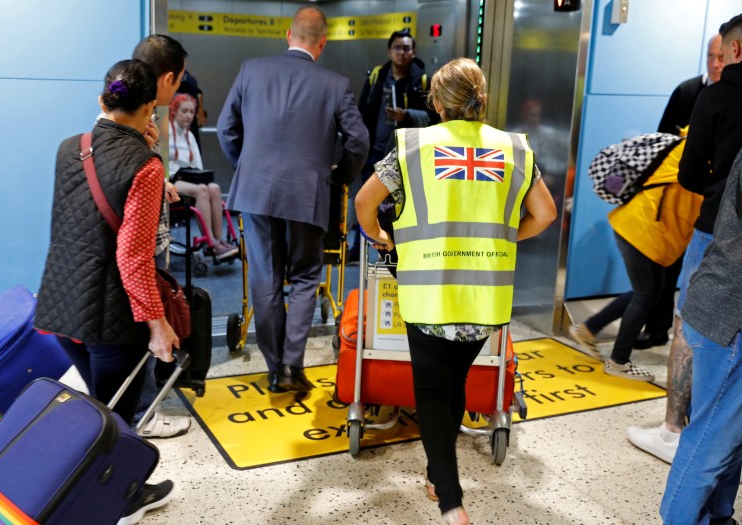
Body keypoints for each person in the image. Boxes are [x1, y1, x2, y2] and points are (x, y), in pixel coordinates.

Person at [355, 58, 556, 525]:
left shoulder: (413, 145)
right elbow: (544, 215)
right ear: (480, 98)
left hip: (429, 294)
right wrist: (505, 237)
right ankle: (435, 473)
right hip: (485, 298)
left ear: (438, 103)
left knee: (429, 391)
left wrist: (384, 238)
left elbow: (364, 203)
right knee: (457, 382)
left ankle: (451, 502)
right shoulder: (515, 150)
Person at [35, 59, 177, 525]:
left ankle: (94, 491)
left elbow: (89, 219)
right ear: (150, 107)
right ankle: (120, 502)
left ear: (102, 101)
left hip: (61, 307)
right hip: (113, 317)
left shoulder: (67, 148)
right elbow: (133, 256)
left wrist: (142, 146)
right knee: (117, 421)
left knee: (98, 408)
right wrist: (156, 324)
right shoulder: (145, 165)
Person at [217, 6, 368, 393]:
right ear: (323, 42)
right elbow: (359, 141)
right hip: (308, 193)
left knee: (265, 279)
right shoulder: (335, 84)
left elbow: (226, 128)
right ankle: (291, 366)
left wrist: (246, 167)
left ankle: (273, 368)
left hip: (256, 194)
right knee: (304, 278)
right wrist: (337, 178)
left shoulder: (251, 69)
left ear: (288, 35)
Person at [626, 18, 742, 464]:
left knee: (688, 327)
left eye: (720, 53)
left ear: (733, 51)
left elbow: (690, 173)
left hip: (717, 227)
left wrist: (715, 181)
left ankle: (674, 431)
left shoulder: (716, 97)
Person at [568, 134, 702, 383]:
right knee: (645, 296)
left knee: (648, 291)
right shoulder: (702, 158)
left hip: (639, 225)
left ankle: (588, 329)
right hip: (644, 231)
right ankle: (619, 361)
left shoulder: (687, 143)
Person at [659, 154, 742, 522]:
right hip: (729, 316)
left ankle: (719, 516)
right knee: (710, 442)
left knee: (729, 439)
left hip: (722, 307)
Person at [631, 33, 724, 351]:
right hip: (676, 196)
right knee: (665, 264)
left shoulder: (732, 96)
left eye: (720, 57)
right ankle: (658, 328)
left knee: (699, 271)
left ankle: (695, 335)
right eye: (710, 56)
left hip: (710, 202)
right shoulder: (687, 91)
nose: (714, 63)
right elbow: (659, 140)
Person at [129, 34, 195, 443]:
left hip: (144, 240)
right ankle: (144, 413)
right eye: (180, 80)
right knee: (146, 328)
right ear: (167, 78)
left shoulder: (137, 112)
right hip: (141, 246)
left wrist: (163, 181)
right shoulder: (136, 116)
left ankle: (141, 409)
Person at [349, 29, 435, 263]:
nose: (402, 53)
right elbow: (363, 111)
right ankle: (358, 246)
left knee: (400, 203)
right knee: (367, 199)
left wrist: (406, 116)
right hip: (374, 150)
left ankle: (394, 248)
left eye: (407, 48)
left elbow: (432, 117)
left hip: (404, 154)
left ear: (413, 52)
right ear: (389, 51)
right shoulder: (378, 75)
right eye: (397, 47)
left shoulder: (423, 80)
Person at [169, 93, 238, 260]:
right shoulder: (167, 133)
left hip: (190, 179)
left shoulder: (190, 136)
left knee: (214, 188)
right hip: (171, 181)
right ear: (174, 111)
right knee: (201, 190)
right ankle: (210, 242)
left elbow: (198, 167)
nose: (188, 116)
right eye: (184, 111)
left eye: (192, 112)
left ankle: (219, 240)